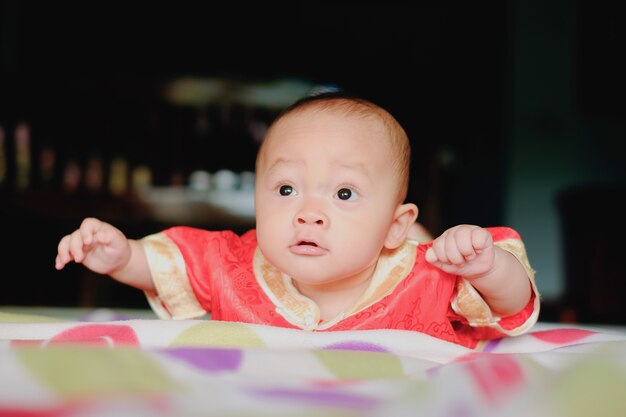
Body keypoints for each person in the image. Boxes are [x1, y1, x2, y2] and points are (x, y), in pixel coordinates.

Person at [55, 92, 539, 349]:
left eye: (344, 193)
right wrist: (122, 255)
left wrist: (486, 266)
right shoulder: (237, 261)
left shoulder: (427, 273)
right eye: (286, 190)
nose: (308, 213)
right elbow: (171, 264)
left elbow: (512, 302)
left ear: (395, 225)